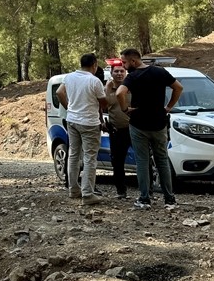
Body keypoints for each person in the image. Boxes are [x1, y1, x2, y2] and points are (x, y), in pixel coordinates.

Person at [116, 48, 183, 210]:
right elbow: (178, 87)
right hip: (159, 123)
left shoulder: (132, 77)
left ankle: (144, 198)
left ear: (133, 61)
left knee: (142, 161)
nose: (123, 66)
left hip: (138, 124)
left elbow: (120, 93)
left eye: (124, 62)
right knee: (162, 160)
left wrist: (125, 109)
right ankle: (169, 199)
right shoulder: (160, 72)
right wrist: (168, 107)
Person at [57, 53, 108, 205]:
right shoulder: (94, 81)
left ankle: (73, 189)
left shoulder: (69, 77)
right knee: (90, 157)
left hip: (72, 120)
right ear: (94, 65)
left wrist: (69, 107)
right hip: (89, 123)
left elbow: (59, 92)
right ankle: (87, 194)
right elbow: (103, 102)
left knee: (73, 154)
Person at [104, 61, 131, 199]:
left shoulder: (132, 86)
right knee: (118, 162)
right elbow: (102, 106)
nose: (119, 74)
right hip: (116, 131)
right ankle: (121, 191)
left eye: (122, 71)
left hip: (134, 130)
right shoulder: (108, 88)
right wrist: (108, 89)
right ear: (111, 73)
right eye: (116, 71)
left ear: (126, 72)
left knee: (143, 160)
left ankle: (148, 191)